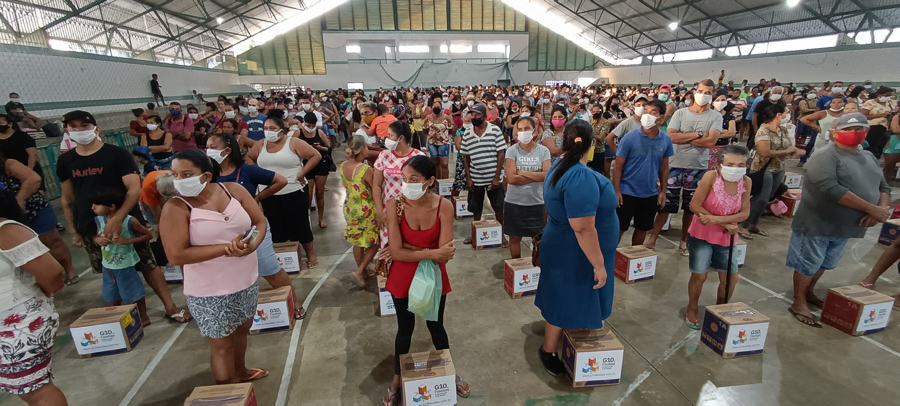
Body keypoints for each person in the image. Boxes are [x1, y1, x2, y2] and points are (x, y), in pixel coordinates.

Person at [57, 110, 190, 323]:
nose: (79, 130)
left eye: (84, 125)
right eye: (73, 126)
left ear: (96, 129)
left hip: (128, 220)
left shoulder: (116, 154)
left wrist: (118, 218)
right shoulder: (66, 161)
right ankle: (120, 315)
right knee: (110, 268)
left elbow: (134, 189)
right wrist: (74, 230)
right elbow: (68, 198)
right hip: (92, 224)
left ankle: (170, 306)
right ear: (67, 130)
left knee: (148, 264)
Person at [160, 149, 269, 384]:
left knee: (242, 330)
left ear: (206, 176)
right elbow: (176, 255)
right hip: (210, 290)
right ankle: (226, 388)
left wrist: (252, 244)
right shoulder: (176, 208)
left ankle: (240, 371)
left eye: (187, 174)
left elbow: (259, 221)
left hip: (245, 279)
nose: (179, 180)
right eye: (175, 175)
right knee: (221, 345)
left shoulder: (234, 191)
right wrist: (226, 249)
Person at [787, 112, 891, 327]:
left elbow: (883, 186)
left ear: (867, 132)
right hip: (819, 221)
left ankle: (809, 292)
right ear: (834, 133)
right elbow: (829, 189)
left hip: (848, 225)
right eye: (847, 130)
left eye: (859, 129)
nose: (854, 133)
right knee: (808, 262)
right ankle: (799, 301)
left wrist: (880, 209)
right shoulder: (826, 156)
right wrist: (871, 208)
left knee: (826, 262)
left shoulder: (869, 157)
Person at [381, 156, 469, 405]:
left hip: (432, 277)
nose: (407, 184)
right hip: (402, 276)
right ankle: (397, 380)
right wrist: (430, 252)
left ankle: (450, 372)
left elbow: (446, 256)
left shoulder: (444, 206)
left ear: (430, 181)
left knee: (436, 325)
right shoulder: (394, 205)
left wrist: (413, 250)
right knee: (404, 329)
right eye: (404, 179)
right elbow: (397, 253)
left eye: (414, 180)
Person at [534, 120, 618, 377]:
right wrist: (599, 264)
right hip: (575, 250)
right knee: (566, 296)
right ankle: (549, 350)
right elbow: (583, 228)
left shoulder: (559, 165)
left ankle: (564, 338)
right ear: (592, 144)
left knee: (563, 293)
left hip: (562, 242)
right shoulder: (579, 176)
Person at [206, 133, 305, 319]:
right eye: (207, 146)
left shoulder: (246, 171)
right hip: (221, 234)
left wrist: (257, 198)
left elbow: (281, 180)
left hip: (252, 229)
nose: (208, 150)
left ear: (227, 151)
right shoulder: (207, 176)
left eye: (213, 146)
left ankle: (295, 303)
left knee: (270, 269)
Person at [0, 189, 67, 406]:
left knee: (34, 389)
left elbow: (52, 274)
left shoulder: (6, 229)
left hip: (16, 320)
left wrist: (45, 293)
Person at [646, 80, 723, 253]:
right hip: (674, 164)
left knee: (691, 207)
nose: (704, 95)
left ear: (712, 95)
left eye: (708, 92)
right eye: (701, 91)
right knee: (665, 205)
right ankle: (652, 239)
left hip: (698, 167)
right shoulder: (680, 113)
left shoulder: (715, 116)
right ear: (695, 92)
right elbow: (671, 137)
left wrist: (685, 136)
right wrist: (699, 135)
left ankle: (684, 241)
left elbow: (711, 141)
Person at [684, 145, 752, 329]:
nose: (736, 168)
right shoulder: (710, 177)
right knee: (700, 275)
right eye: (730, 164)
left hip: (727, 237)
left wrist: (717, 220)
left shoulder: (745, 182)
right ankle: (692, 308)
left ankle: (720, 308)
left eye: (740, 165)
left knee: (731, 277)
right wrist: (724, 223)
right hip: (702, 234)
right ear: (720, 165)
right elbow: (695, 206)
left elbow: (745, 213)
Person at [247, 110, 322, 268]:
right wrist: (258, 174)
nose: (269, 131)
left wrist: (302, 173)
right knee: (275, 226)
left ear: (282, 129)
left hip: (293, 190)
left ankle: (310, 254)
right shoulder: (261, 144)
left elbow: (316, 155)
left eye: (273, 128)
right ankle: (283, 257)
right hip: (268, 193)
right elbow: (249, 158)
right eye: (266, 128)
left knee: (300, 224)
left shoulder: (293, 142)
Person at [1, 153, 79, 285]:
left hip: (34, 209)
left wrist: (19, 200)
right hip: (5, 218)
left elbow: (33, 178)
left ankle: (69, 270)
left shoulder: (7, 164)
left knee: (52, 242)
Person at [613, 99, 674, 246]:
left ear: (661, 117)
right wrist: (616, 191)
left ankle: (635, 257)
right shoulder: (629, 138)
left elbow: (664, 168)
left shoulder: (665, 140)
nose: (647, 115)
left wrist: (663, 191)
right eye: (645, 111)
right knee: (619, 228)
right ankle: (611, 259)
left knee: (642, 228)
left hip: (650, 193)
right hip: (627, 192)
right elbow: (618, 166)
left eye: (653, 112)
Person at [739, 105, 804, 239]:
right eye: (785, 113)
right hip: (763, 169)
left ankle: (753, 224)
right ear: (778, 115)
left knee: (767, 197)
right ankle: (743, 225)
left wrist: (797, 151)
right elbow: (764, 152)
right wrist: (787, 152)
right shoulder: (763, 131)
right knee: (760, 198)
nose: (788, 116)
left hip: (779, 168)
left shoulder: (783, 130)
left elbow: (791, 146)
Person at [91, 188, 152, 325]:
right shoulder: (99, 219)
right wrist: (97, 240)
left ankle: (143, 316)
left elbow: (148, 235)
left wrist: (127, 241)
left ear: (112, 207)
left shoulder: (129, 221)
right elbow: (96, 235)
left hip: (125, 265)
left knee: (133, 292)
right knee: (111, 293)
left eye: (97, 204)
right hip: (108, 265)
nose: (93, 207)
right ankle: (117, 316)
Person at [504, 117, 551, 259]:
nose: (523, 132)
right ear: (516, 132)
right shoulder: (512, 151)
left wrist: (522, 172)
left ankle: (535, 268)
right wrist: (536, 174)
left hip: (537, 203)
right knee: (514, 238)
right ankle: (517, 268)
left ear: (534, 130)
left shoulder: (543, 151)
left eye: (527, 128)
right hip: (514, 202)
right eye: (520, 129)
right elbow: (511, 179)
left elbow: (546, 176)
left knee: (537, 239)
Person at [373, 121, 426, 249]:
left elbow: (425, 187)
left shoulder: (418, 157)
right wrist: (380, 211)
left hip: (412, 209)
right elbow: (376, 186)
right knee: (390, 247)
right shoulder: (384, 156)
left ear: (401, 138)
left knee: (411, 246)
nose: (387, 139)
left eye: (390, 136)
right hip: (389, 211)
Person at [462, 104, 507, 246]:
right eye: (472, 115)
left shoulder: (494, 130)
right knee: (476, 209)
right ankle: (475, 234)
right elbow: (466, 157)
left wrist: (496, 177)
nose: (474, 117)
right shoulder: (467, 133)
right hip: (476, 178)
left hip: (493, 179)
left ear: (484, 116)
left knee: (499, 208)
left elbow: (501, 154)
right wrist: (468, 178)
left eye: (477, 115)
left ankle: (502, 236)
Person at [340, 135, 380, 286]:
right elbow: (375, 189)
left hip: (350, 207)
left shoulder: (343, 165)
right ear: (362, 149)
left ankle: (361, 271)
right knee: (376, 241)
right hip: (366, 210)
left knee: (357, 241)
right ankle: (360, 270)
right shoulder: (365, 169)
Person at [297, 113, 332, 229]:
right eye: (308, 125)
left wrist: (319, 148)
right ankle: (307, 220)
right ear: (304, 123)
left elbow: (328, 148)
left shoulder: (319, 132)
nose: (311, 128)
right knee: (308, 194)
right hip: (306, 165)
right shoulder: (298, 133)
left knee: (320, 193)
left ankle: (321, 218)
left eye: (313, 125)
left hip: (320, 164)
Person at [800, 97, 845, 164]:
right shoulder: (823, 113)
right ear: (830, 104)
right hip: (823, 139)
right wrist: (816, 127)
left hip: (840, 140)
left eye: (839, 102)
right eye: (833, 102)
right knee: (820, 159)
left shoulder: (846, 114)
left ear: (843, 104)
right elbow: (804, 119)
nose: (836, 104)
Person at [861, 86, 897, 162]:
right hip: (873, 127)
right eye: (886, 95)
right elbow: (864, 116)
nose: (888, 97)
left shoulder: (891, 103)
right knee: (871, 147)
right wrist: (881, 115)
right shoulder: (870, 103)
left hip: (886, 128)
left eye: (890, 95)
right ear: (879, 95)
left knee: (880, 146)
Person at [425, 102, 453, 180]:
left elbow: (451, 129)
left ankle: (445, 182)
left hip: (444, 143)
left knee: (444, 164)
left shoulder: (446, 117)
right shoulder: (428, 117)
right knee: (435, 163)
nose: (436, 107)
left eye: (438, 106)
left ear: (441, 108)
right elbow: (425, 130)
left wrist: (445, 136)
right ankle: (437, 181)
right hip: (432, 143)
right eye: (434, 106)